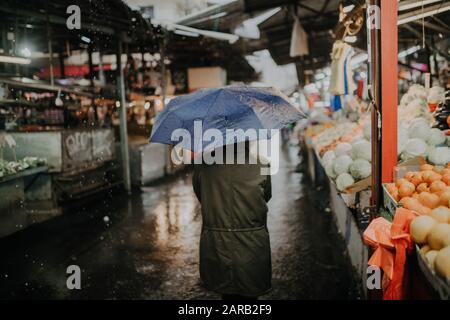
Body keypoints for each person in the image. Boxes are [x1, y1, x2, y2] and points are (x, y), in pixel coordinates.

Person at [192, 141, 272, 300]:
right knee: (250, 299)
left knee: (226, 295)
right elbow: (266, 196)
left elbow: (202, 195)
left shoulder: (203, 165)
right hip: (252, 245)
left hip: (217, 244)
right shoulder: (262, 164)